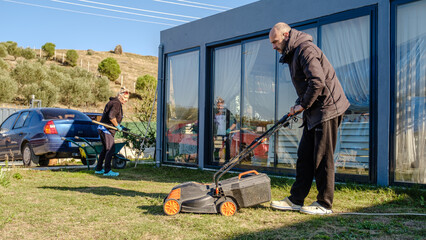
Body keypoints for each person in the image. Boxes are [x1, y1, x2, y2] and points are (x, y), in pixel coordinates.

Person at [269, 22, 350, 214]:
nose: (273, 46)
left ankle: (324, 204)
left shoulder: (305, 49)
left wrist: (303, 104)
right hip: (314, 111)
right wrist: (299, 104)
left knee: (322, 158)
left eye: (275, 41)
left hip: (328, 109)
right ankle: (296, 199)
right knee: (304, 156)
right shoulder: (294, 53)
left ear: (286, 35)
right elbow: (308, 86)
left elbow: (317, 81)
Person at [95, 87, 130, 177]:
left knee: (105, 149)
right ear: (120, 96)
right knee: (110, 149)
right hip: (106, 129)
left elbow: (112, 118)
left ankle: (98, 169)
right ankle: (107, 171)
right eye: (125, 98)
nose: (126, 100)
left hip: (103, 128)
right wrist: (117, 126)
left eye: (127, 98)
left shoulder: (114, 102)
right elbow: (111, 117)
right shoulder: (116, 104)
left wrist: (121, 127)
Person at [213, 97, 237, 163]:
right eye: (218, 105)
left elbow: (235, 122)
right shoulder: (213, 112)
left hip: (226, 133)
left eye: (221, 105)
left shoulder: (227, 112)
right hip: (217, 134)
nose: (220, 107)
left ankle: (227, 161)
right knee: (217, 148)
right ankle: (216, 161)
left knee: (227, 148)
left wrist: (229, 129)